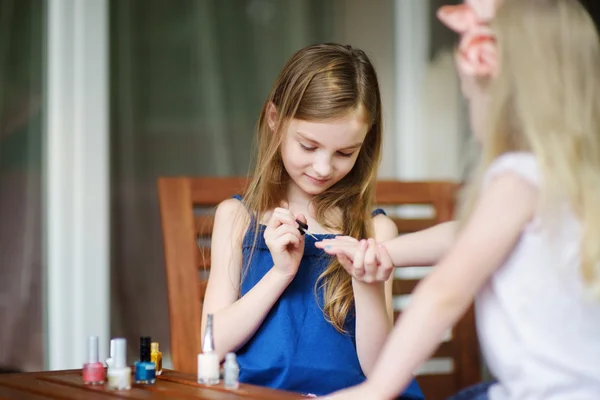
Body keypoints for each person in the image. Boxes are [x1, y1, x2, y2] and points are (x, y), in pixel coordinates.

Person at [315, 1, 600, 399]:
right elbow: (463, 237)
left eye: (472, 100)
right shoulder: (574, 179)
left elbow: (443, 294)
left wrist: (375, 390)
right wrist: (382, 250)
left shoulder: (518, 177)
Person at [201, 43, 424, 399]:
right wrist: (280, 274)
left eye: (344, 153)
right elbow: (212, 345)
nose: (323, 168)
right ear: (274, 120)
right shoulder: (238, 218)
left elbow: (381, 371)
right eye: (308, 146)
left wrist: (365, 283)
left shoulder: (376, 231)